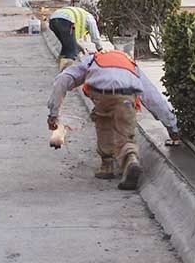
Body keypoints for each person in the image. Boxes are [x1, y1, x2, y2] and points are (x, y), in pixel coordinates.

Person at [47, 50, 180, 190]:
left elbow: (63, 80)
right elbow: (153, 98)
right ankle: (130, 159)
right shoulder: (131, 65)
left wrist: (53, 115)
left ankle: (107, 165)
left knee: (103, 122)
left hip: (101, 95)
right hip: (126, 96)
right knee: (125, 134)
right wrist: (172, 127)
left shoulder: (91, 60)